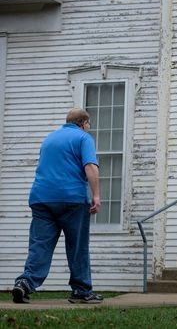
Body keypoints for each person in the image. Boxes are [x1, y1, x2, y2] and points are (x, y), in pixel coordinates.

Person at [12, 108, 103, 304]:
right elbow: (90, 166)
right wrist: (96, 195)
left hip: (41, 198)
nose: (88, 128)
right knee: (77, 246)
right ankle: (81, 291)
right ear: (83, 122)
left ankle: (24, 283)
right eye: (88, 124)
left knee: (40, 245)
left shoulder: (49, 139)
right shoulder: (82, 138)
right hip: (71, 199)